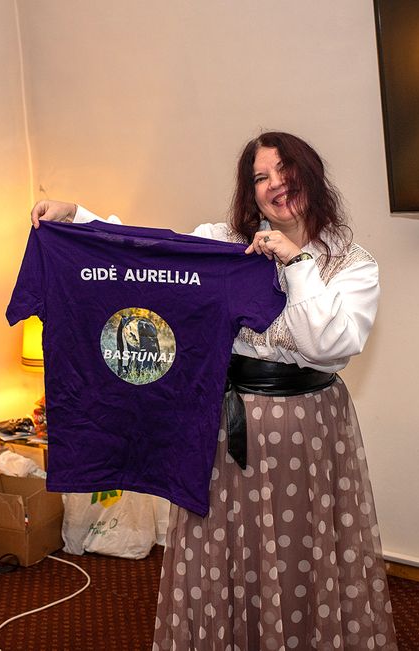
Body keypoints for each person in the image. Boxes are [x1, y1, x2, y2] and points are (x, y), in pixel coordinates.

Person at [31, 131, 396, 650]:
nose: (275, 184)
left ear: (311, 176)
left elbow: (330, 344)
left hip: (306, 433)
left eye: (285, 171)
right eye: (261, 177)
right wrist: (78, 219)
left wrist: (296, 263)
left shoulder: (351, 263)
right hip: (218, 426)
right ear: (251, 193)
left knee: (297, 546)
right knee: (224, 549)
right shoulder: (224, 242)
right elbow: (150, 255)